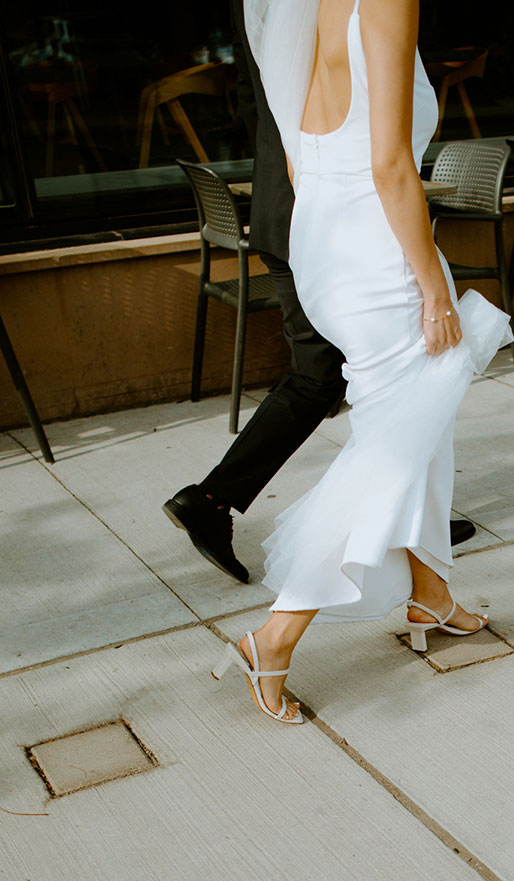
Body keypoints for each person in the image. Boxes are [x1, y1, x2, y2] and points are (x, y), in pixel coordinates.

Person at [163, 0, 476, 585]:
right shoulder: (369, 8)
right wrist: (432, 283)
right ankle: (227, 512)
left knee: (363, 377)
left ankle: (416, 518)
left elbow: (276, 122)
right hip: (347, 226)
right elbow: (389, 164)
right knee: (335, 378)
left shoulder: (274, 10)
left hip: (299, 221)